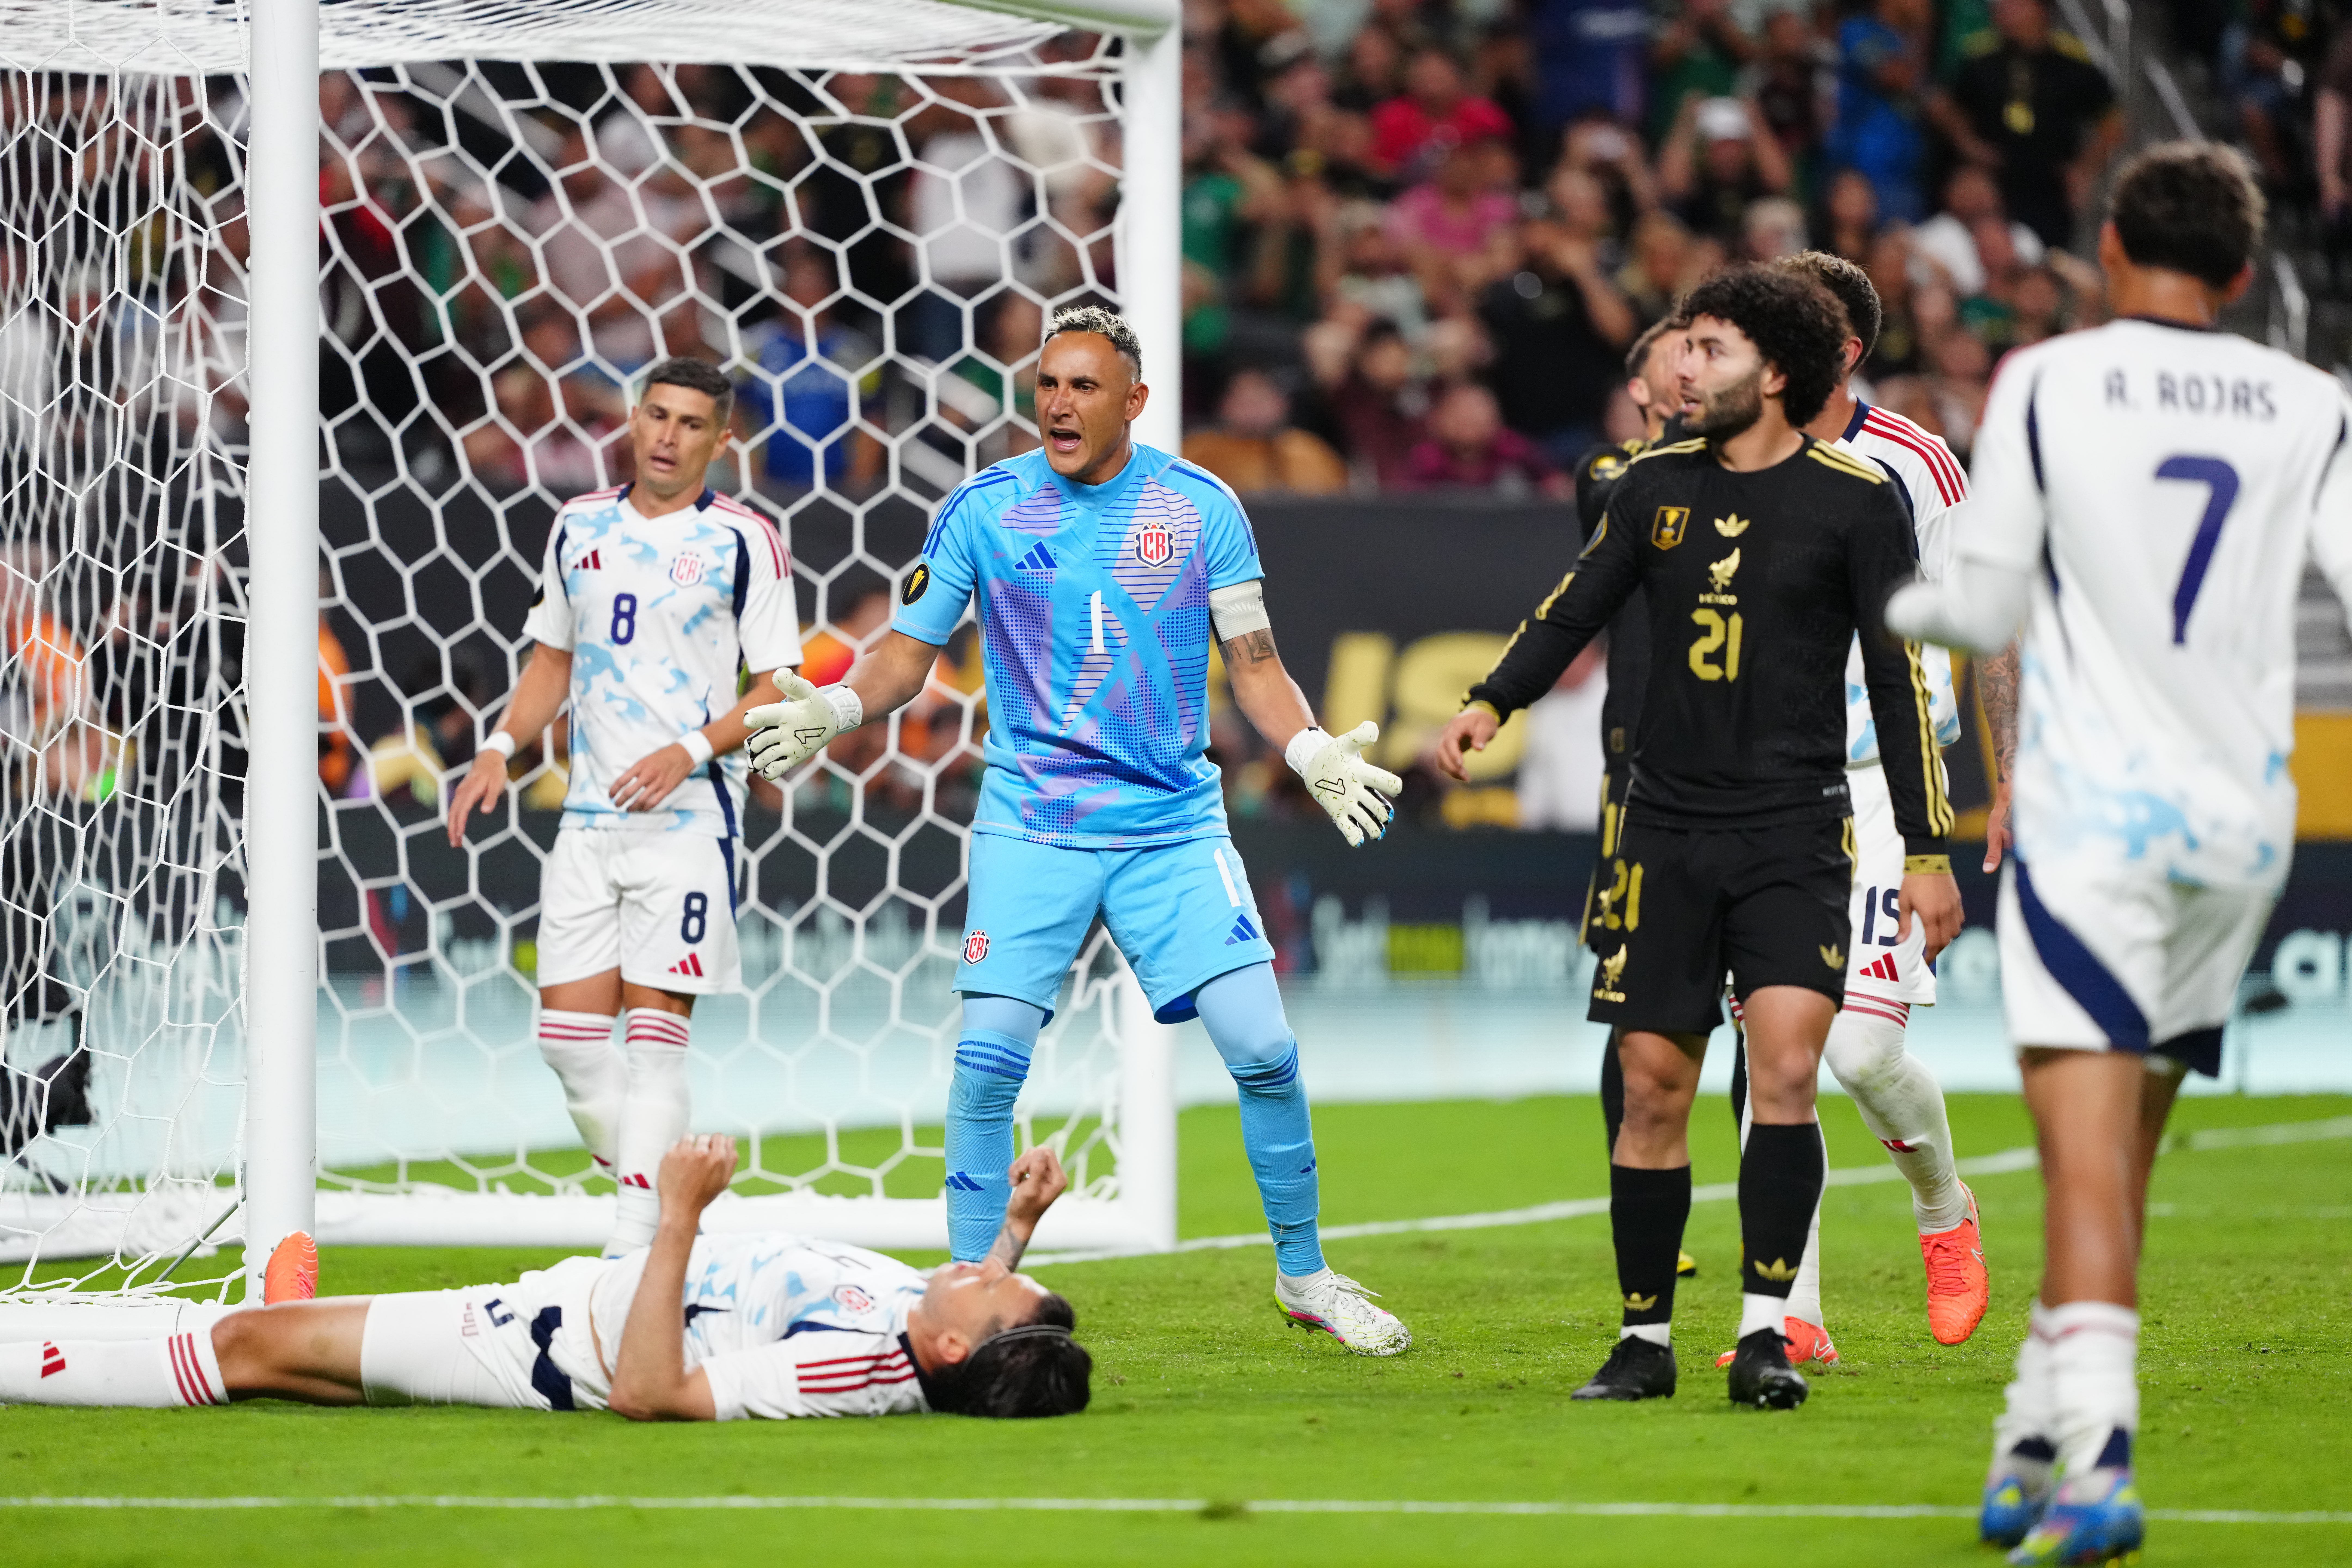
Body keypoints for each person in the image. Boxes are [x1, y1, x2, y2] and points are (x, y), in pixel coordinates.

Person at [742, 306, 1411, 1356]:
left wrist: (1313, 751)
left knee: (1267, 1051)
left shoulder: (1200, 510)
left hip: (1171, 831)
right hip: (1033, 827)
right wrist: (830, 709)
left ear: (1134, 402)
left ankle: (1304, 1273)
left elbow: (1256, 667)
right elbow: (905, 654)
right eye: (1047, 383)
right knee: (987, 1064)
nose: (1058, 402)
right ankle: (971, 1291)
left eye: (1084, 386)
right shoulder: (986, 508)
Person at [1886, 143, 2352, 1567]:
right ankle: (2034, 1431)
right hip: (2244, 824)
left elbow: (1981, 605)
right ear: (2239, 272)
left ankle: (2101, 1458)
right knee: (2121, 1157)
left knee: (2083, 1165)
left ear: (2105, 244)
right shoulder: (2311, 398)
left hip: (2101, 821)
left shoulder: (2050, 381)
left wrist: (1897, 606)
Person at [1435, 265, 1961, 1411]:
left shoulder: (1859, 497)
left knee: (1784, 1075)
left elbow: (1899, 676)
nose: (1685, 366)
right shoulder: (1651, 485)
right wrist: (1492, 700)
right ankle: (1643, 1340)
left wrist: (1927, 848)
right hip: (1663, 828)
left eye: (1711, 349)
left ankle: (1770, 1330)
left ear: (1775, 372)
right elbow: (1573, 605)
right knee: (1654, 1085)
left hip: (1795, 830)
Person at [444, 358, 799, 1257]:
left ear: (722, 442)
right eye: (656, 417)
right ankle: (662, 1186)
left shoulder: (747, 541)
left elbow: (778, 688)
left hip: (689, 822)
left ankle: (638, 1245)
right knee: (565, 1042)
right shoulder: (577, 527)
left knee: (653, 1046)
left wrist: (690, 750)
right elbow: (551, 663)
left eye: (690, 424)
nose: (669, 438)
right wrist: (497, 748)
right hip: (589, 822)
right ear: (633, 422)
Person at [0, 1137, 1092, 1422]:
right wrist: (1014, 1240)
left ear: (950, 1350)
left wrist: (678, 1220)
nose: (977, 1272)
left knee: (247, 1345)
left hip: (537, 1343)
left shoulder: (857, 1371)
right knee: (289, 1365)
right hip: (566, 1300)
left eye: (993, 1292)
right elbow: (978, 1332)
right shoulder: (924, 1324)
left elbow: (651, 1396)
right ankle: (306, 1334)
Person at [1738, 250, 2003, 1361]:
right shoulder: (1728, 456)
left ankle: (1944, 1208)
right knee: (1771, 1049)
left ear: (1839, 352)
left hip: (1886, 789)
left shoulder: (1917, 463)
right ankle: (1791, 1313)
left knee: (1857, 1055)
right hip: (1761, 790)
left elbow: (1981, 624)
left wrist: (2007, 776)